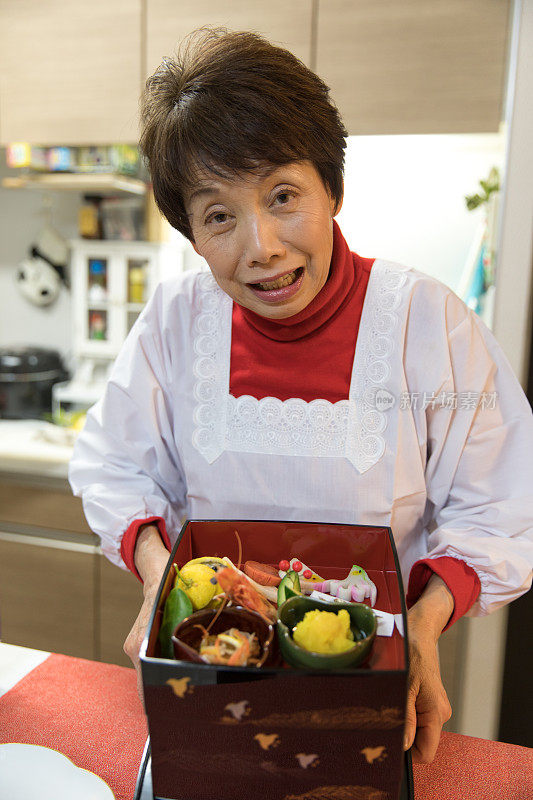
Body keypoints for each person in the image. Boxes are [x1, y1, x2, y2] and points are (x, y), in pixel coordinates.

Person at [69, 27, 533, 764]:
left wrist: (423, 627)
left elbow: (497, 503)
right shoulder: (174, 323)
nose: (262, 247)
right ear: (191, 233)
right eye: (218, 215)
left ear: (333, 187)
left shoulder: (426, 322)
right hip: (213, 672)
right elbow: (113, 465)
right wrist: (160, 580)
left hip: (367, 685)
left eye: (282, 195)